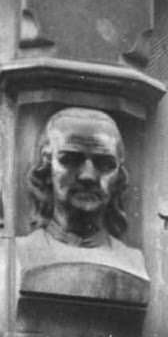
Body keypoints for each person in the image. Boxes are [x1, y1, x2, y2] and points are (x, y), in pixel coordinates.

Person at [15, 106, 149, 303]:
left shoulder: (132, 260)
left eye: (104, 164)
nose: (88, 176)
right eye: (70, 160)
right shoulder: (19, 252)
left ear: (119, 177)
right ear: (47, 168)